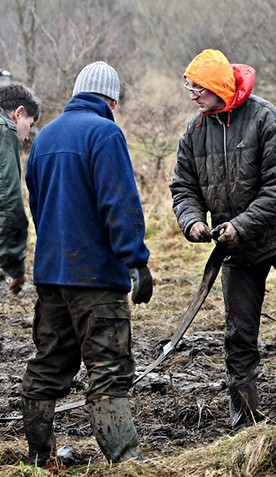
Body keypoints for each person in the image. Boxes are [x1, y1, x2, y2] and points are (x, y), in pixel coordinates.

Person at [170, 49, 276, 430]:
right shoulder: (194, 131)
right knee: (239, 335)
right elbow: (183, 187)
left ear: (218, 87)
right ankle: (245, 418)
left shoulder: (264, 118)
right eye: (189, 88)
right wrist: (192, 222)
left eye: (198, 89)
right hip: (234, 249)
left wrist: (242, 223)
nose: (192, 95)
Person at [23, 61, 153, 465]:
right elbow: (120, 203)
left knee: (48, 366)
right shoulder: (105, 132)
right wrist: (136, 261)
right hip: (96, 279)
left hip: (50, 276)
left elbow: (37, 203)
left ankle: (40, 458)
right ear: (111, 98)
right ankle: (126, 462)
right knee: (109, 370)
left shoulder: (44, 137)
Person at [0, 83, 40, 295]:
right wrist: (15, 266)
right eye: (30, 125)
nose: (26, 137)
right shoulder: (5, 130)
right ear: (18, 113)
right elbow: (8, 200)